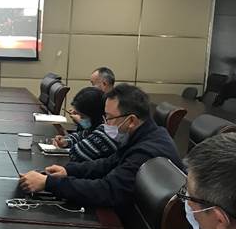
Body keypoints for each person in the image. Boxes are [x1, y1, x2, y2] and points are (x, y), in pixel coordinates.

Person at [19, 84, 181, 207]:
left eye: (109, 118)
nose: (105, 125)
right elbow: (107, 163)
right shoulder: (142, 134)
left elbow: (107, 191)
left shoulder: (146, 152)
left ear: (131, 120)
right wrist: (68, 171)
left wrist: (48, 183)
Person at [53, 87, 118, 162]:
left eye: (83, 116)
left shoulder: (106, 133)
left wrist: (68, 146)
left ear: (93, 114)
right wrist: (66, 141)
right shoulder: (96, 125)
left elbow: (76, 153)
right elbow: (83, 135)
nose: (80, 118)